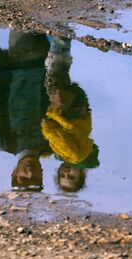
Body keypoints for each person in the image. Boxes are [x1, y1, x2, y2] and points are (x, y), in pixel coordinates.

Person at [0, 31, 52, 191]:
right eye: (36, 178)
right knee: (62, 14)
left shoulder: (2, 141)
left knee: (29, 13)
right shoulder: (53, 145)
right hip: (50, 61)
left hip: (18, 63)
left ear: (14, 173)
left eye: (23, 178)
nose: (30, 173)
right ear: (42, 174)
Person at [42, 36, 99, 192]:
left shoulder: (68, 154)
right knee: (55, 81)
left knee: (56, 77)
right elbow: (57, 136)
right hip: (68, 116)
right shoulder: (76, 156)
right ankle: (59, 42)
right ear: (81, 174)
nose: (66, 173)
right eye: (71, 177)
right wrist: (45, 125)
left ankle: (56, 42)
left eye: (62, 175)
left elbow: (60, 142)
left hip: (77, 115)